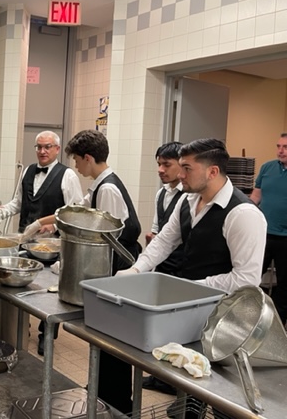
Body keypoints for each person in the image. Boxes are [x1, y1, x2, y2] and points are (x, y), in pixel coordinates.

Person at [118, 138, 267, 419]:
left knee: (223, 397)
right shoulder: (187, 201)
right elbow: (164, 241)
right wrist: (136, 270)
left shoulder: (243, 214)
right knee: (190, 377)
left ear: (212, 171)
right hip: (192, 310)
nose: (180, 174)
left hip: (227, 320)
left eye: (187, 168)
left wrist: (191, 288)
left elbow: (246, 280)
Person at [64, 129, 141, 414]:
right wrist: (46, 224)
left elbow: (107, 238)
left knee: (114, 339)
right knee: (103, 337)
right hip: (112, 265)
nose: (75, 166)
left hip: (119, 267)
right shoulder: (98, 185)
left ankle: (118, 402)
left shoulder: (108, 188)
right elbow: (77, 212)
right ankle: (101, 389)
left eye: (76, 160)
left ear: (88, 157)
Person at [0, 130, 83, 356]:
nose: (42, 151)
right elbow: (17, 203)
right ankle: (21, 328)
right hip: (25, 241)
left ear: (57, 149)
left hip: (52, 247)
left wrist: (53, 227)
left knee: (49, 293)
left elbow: (74, 214)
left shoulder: (68, 175)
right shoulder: (27, 171)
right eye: (39, 147)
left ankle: (47, 335)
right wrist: (3, 210)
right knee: (21, 285)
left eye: (47, 147)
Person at [142, 141, 184, 395]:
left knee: (178, 328)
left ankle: (175, 382)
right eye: (158, 164)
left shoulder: (189, 196)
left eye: (166, 164)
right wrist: (152, 238)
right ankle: (160, 377)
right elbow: (158, 230)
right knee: (162, 327)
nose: (160, 170)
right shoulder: (161, 194)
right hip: (162, 266)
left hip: (183, 269)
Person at [250, 133, 287, 327]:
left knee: (284, 285)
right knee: (251, 278)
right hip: (263, 234)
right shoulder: (267, 168)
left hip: (285, 238)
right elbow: (256, 197)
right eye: (278, 146)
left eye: (285, 147)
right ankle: (250, 318)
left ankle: (277, 326)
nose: (281, 151)